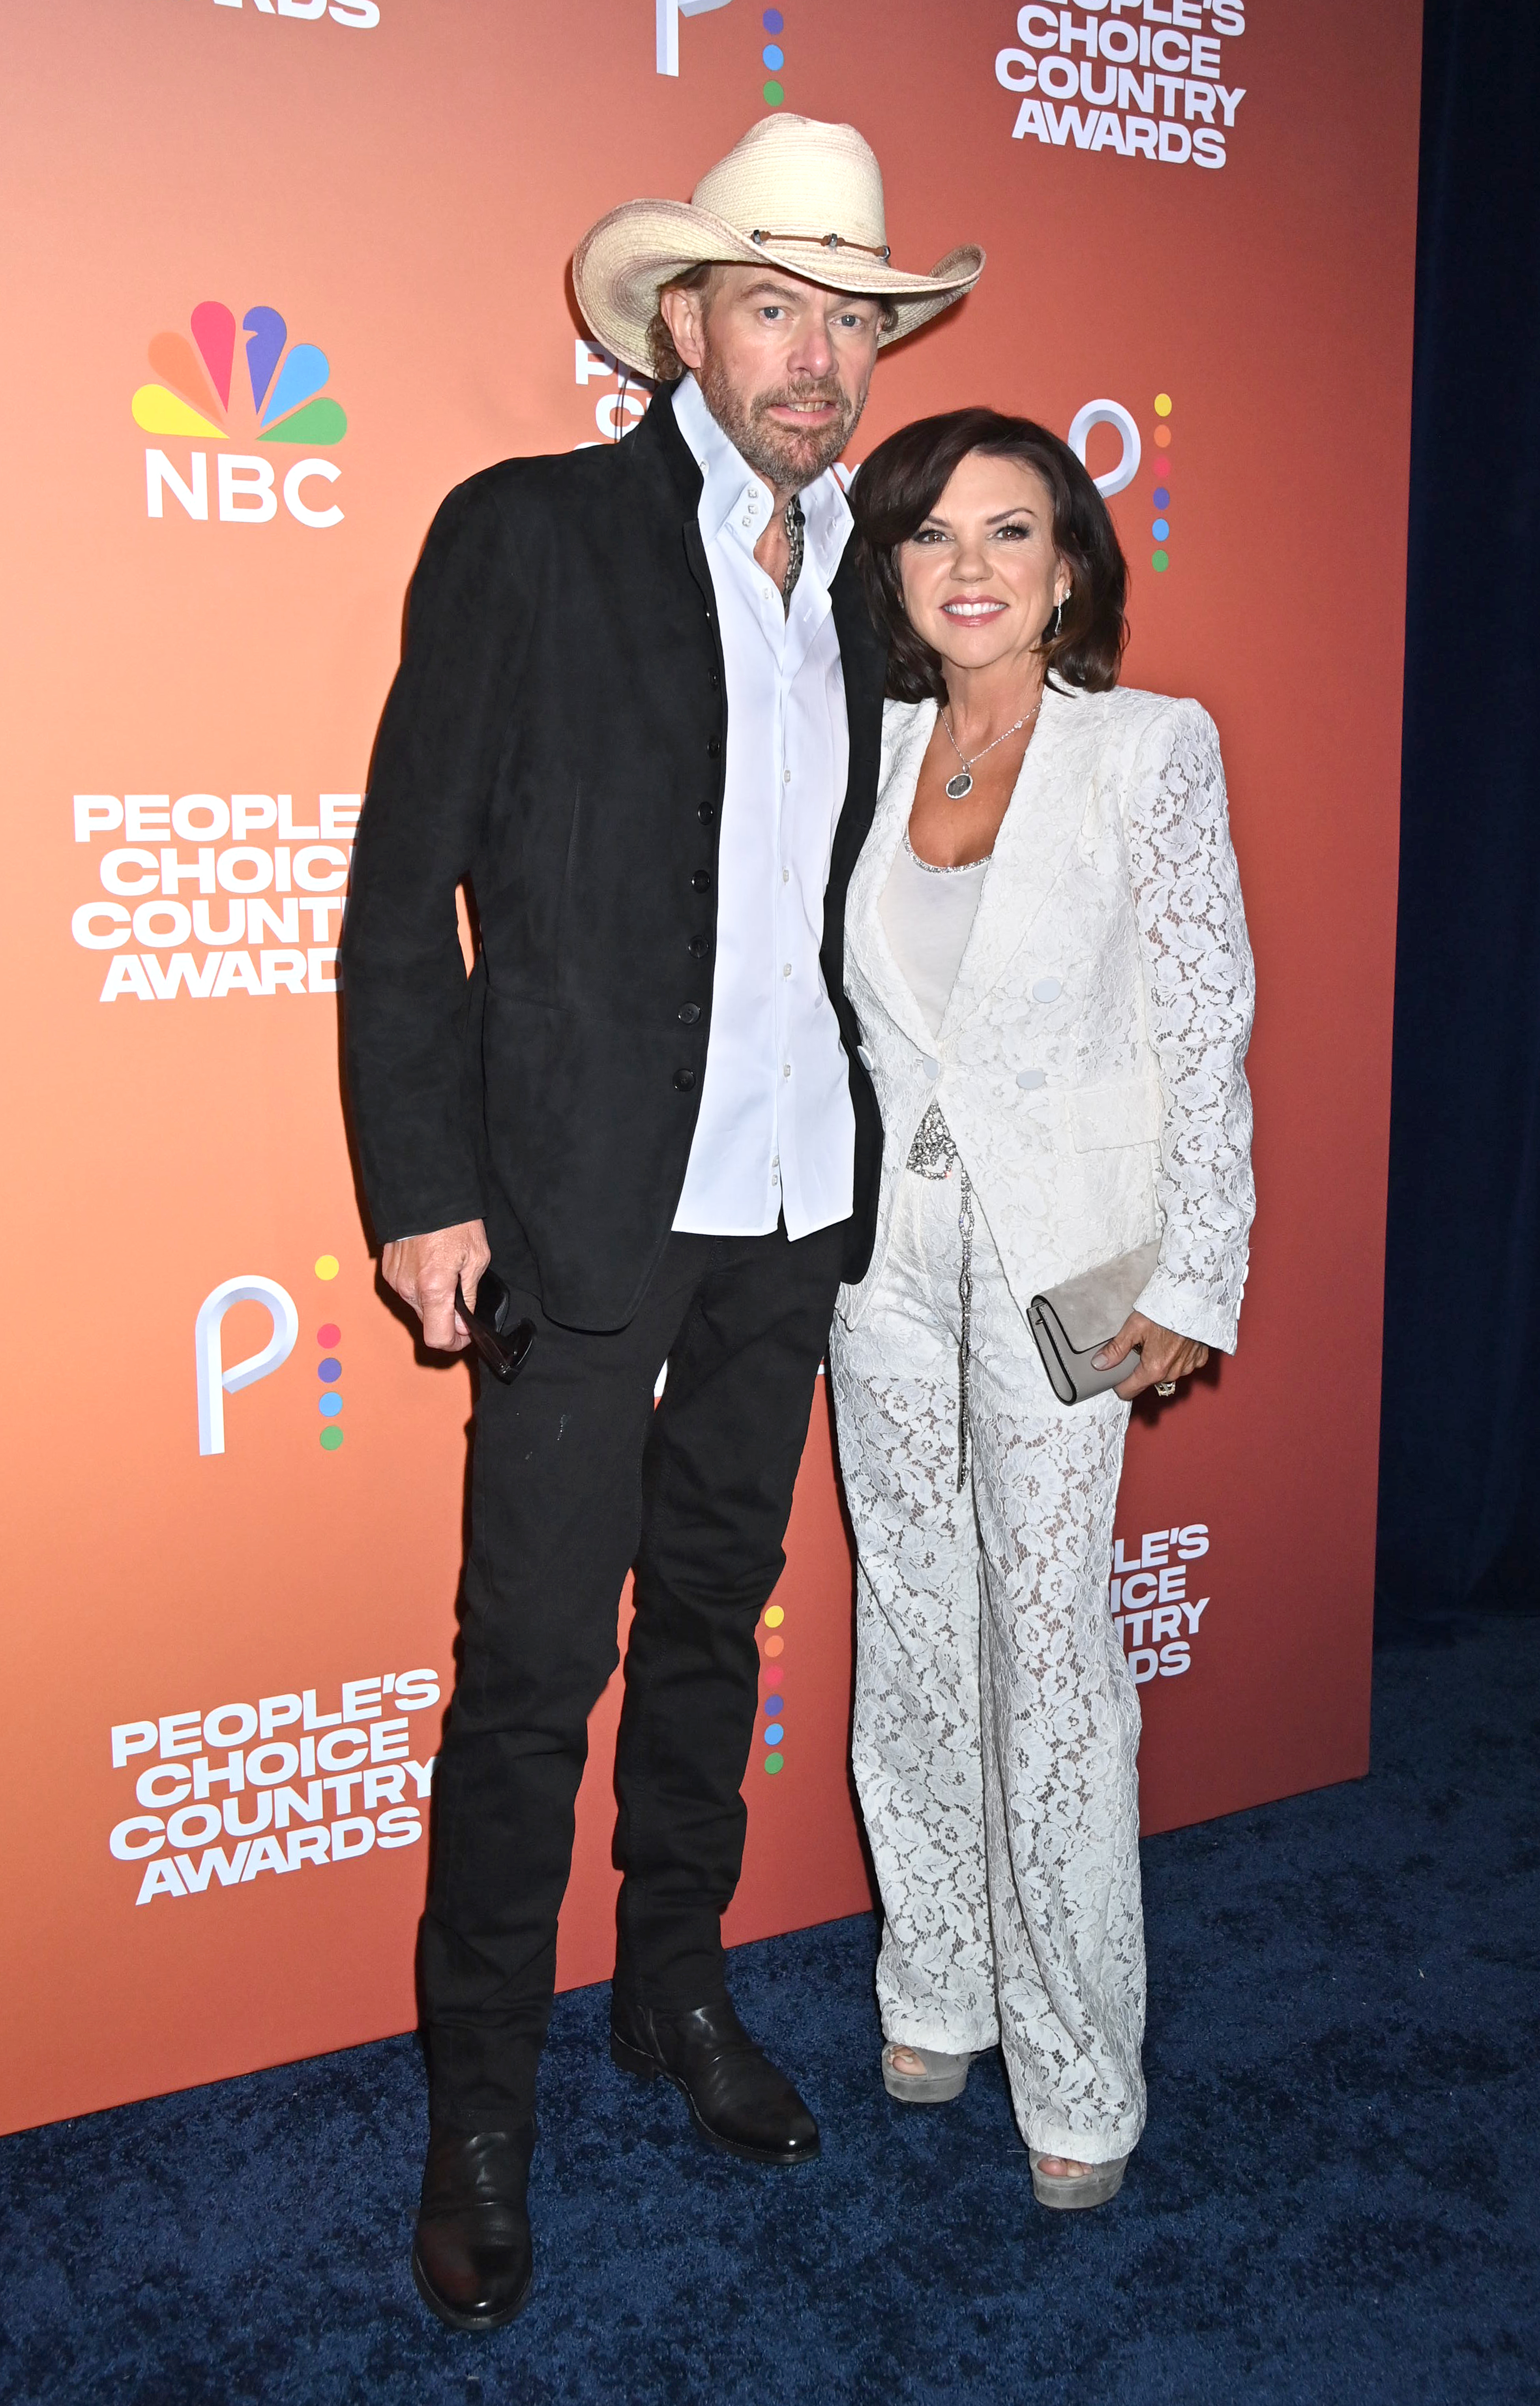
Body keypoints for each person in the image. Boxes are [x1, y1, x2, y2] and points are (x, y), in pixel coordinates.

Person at [340, 118, 982, 2329]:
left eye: (852, 320)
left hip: (796, 1214)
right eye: (775, 306)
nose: (817, 356)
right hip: (579, 1212)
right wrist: (422, 1186)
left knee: (715, 1624)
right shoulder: (529, 537)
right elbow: (399, 885)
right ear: (684, 324)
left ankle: (672, 1992)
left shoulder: (882, 593)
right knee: (530, 1676)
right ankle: (480, 2111)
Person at [828, 409, 1255, 2209]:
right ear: (896, 573)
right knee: (913, 1613)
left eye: (1015, 530)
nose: (976, 565)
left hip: (1065, 1260)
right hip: (878, 1268)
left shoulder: (1148, 748)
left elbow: (1203, 1014)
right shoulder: (864, 745)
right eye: (935, 534)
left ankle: (1080, 2054)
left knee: (1053, 1648)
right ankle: (936, 1969)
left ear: (1071, 562)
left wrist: (1197, 1269)